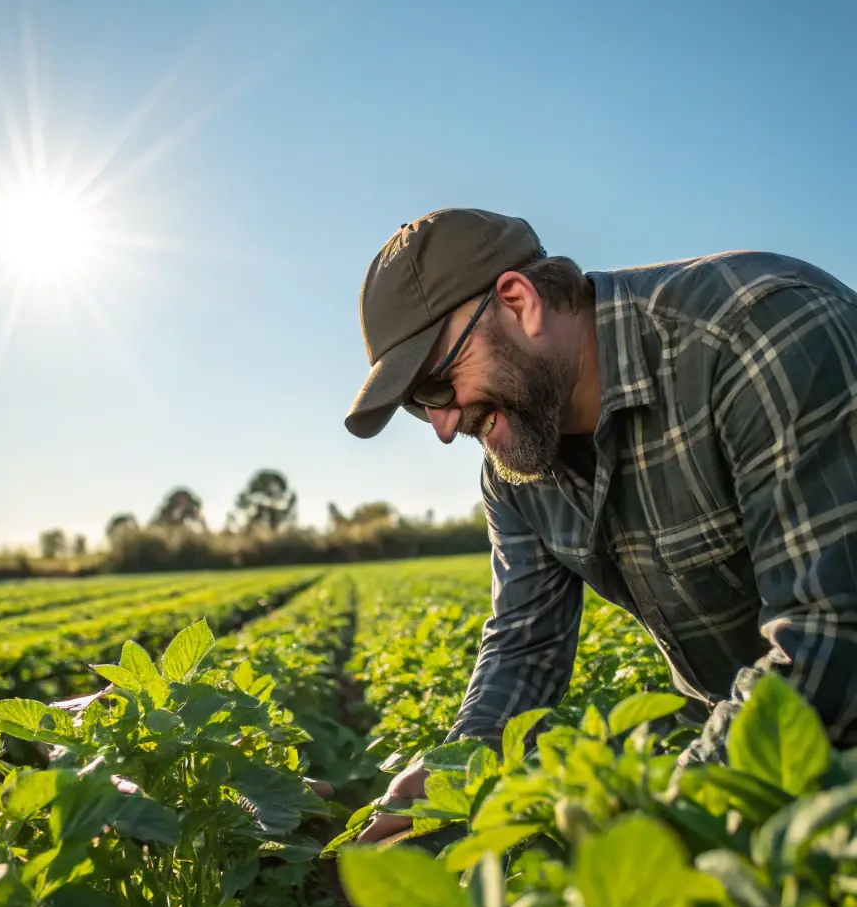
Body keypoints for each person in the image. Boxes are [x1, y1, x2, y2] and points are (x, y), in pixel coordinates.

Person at [345, 208, 857, 843]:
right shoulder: (518, 464)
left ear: (519, 301)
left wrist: (654, 822)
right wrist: (454, 775)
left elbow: (831, 635)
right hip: (753, 750)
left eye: (438, 387)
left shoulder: (756, 334)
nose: (444, 427)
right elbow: (525, 644)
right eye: (420, 408)